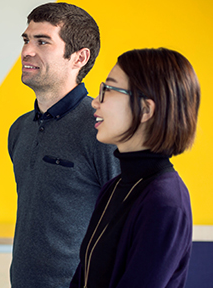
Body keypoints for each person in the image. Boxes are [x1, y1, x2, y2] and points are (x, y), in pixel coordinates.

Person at [8, 2, 120, 287]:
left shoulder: (102, 129)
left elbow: (125, 228)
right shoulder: (19, 130)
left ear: (79, 57)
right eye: (26, 40)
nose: (26, 52)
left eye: (42, 42)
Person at [70, 48, 198, 288]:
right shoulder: (114, 187)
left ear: (147, 110)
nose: (95, 102)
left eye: (107, 90)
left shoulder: (165, 203)